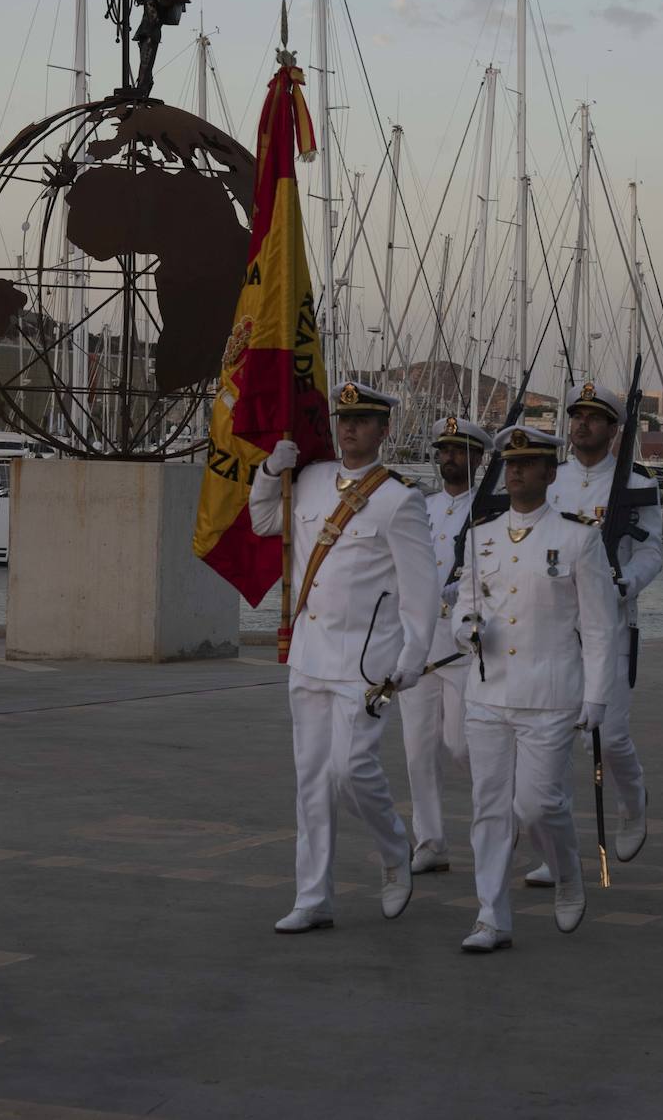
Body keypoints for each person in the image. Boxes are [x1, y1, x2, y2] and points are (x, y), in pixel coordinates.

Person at [249, 381, 438, 934]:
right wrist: (267, 474)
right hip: (309, 654)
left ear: (383, 430)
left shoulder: (399, 499)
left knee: (351, 770)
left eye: (362, 420)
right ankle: (314, 897)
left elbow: (420, 590)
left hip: (366, 663)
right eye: (344, 418)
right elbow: (263, 522)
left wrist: (413, 656)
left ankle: (394, 847)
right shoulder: (307, 480)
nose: (348, 428)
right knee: (311, 779)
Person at [453, 423, 618, 952]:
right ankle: (491, 916)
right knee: (490, 806)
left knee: (538, 805)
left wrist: (597, 696)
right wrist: (465, 628)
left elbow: (599, 627)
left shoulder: (578, 537)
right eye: (511, 461)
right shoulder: (482, 533)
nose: (518, 469)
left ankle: (568, 873)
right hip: (487, 689)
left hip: (549, 693)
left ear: (551, 472)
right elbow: (465, 603)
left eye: (529, 461)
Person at [524, 380, 662, 888]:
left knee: (607, 740)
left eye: (593, 417)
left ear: (613, 428)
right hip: (555, 625)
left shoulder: (636, 482)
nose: (581, 424)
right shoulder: (549, 480)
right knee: (553, 739)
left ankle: (633, 797)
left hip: (612, 624)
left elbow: (651, 552)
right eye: (576, 415)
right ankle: (554, 852)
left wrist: (626, 582)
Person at [400, 416, 492, 875]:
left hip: (462, 646)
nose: (449, 458)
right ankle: (430, 840)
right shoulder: (423, 506)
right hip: (419, 642)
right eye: (444, 450)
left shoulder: (491, 511)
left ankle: (499, 818)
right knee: (418, 751)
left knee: (461, 745)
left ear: (479, 458)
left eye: (459, 451)